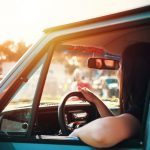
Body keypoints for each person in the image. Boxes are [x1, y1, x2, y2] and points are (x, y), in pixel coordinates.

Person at [69, 42, 150, 148]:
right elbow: (120, 126)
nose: (117, 73)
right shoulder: (145, 109)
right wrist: (96, 101)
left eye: (120, 66)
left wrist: (73, 135)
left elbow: (100, 134)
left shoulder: (139, 114)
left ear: (132, 74)